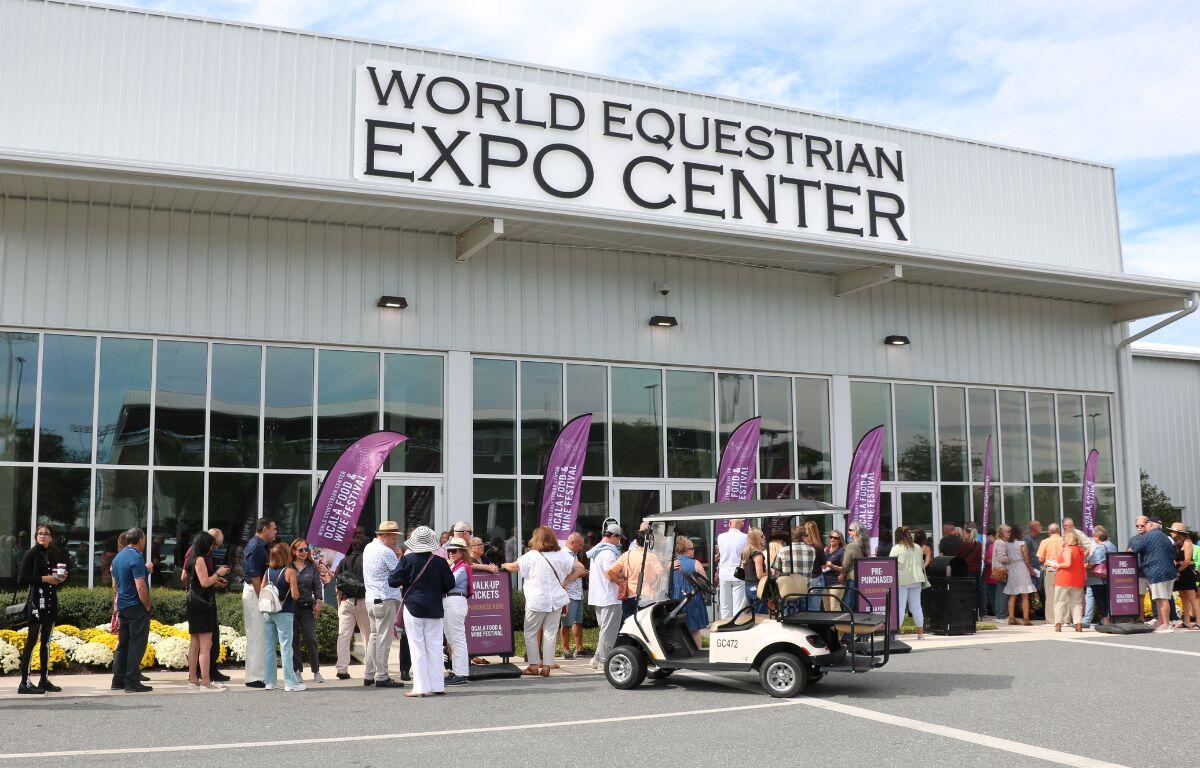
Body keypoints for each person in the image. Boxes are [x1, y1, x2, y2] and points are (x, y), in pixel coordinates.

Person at [502, 526, 586, 678]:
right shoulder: (561, 554)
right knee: (550, 633)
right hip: (556, 600)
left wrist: (502, 566)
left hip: (537, 600)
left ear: (536, 539)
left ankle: (534, 665)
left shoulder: (531, 555)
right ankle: (547, 666)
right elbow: (580, 568)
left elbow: (513, 567)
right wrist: (566, 582)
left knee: (530, 633)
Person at [388, 526, 455, 697]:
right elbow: (450, 584)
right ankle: (437, 685)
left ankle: (420, 687)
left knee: (417, 647)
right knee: (434, 646)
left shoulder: (407, 559)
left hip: (413, 607)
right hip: (435, 607)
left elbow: (393, 581)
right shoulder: (439, 561)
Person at [16, 524, 67, 694]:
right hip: (36, 602)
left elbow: (54, 575)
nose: (43, 536)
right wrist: (45, 578)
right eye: (40, 533)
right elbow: (22, 578)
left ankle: (44, 679)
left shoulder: (50, 554)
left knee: (46, 642)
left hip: (51, 602)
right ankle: (24, 682)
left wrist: (61, 577)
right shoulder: (32, 553)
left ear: (51, 537)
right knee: (32, 641)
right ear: (36, 536)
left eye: (46, 533)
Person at [184, 531, 230, 691]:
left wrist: (216, 581)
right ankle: (206, 682)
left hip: (193, 602)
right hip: (203, 604)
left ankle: (192, 679)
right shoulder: (200, 559)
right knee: (206, 644)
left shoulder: (191, 558)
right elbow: (204, 582)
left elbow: (194, 580)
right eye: (211, 544)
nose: (213, 547)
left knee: (195, 643)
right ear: (205, 544)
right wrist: (218, 573)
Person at [363, 520, 403, 688]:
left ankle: (369, 674)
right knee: (383, 639)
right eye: (393, 538)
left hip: (371, 599)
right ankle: (382, 676)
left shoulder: (368, 547)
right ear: (385, 536)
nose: (395, 541)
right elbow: (400, 572)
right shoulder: (386, 552)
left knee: (374, 637)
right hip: (385, 598)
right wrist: (399, 556)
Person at [112, 528, 153, 693]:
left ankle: (118, 680)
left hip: (122, 605)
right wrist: (147, 605)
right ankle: (132, 681)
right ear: (140, 540)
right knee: (137, 643)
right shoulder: (136, 557)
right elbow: (140, 585)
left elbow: (116, 584)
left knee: (124, 643)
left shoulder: (118, 557)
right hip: (136, 606)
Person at [261, 541, 303, 691]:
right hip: (284, 612)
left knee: (269, 647)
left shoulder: (267, 572)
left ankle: (270, 681)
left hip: (268, 612)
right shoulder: (289, 572)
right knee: (286, 647)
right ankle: (290, 682)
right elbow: (295, 595)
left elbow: (261, 591)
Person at [240, 517, 276, 689]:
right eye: (273, 529)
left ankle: (260, 674)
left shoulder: (261, 545)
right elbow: (255, 577)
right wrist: (262, 599)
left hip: (257, 592)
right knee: (256, 634)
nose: (275, 532)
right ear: (265, 529)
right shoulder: (256, 547)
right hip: (254, 593)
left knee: (260, 634)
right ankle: (254, 677)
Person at [587, 523, 624, 670]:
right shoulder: (609, 552)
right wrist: (621, 580)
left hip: (598, 596)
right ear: (613, 536)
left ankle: (597, 658)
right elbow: (610, 573)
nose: (619, 541)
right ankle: (604, 662)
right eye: (619, 538)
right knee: (609, 632)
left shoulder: (596, 551)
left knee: (604, 630)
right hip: (610, 596)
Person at [1130, 516, 1178, 631]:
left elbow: (1136, 548)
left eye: (1146, 524)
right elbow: (1175, 554)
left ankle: (1165, 624)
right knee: (1164, 598)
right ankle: (1161, 623)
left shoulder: (1148, 536)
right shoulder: (1166, 537)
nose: (1144, 526)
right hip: (1169, 572)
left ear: (1151, 524)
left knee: (1162, 599)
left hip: (1156, 571)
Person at [334, 530, 370, 681]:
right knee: (367, 636)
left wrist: (339, 602)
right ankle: (370, 668)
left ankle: (342, 668)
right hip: (363, 600)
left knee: (343, 635)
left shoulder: (344, 560)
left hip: (346, 601)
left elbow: (337, 583)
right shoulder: (367, 560)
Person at [290, 538, 325, 683]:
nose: (304, 552)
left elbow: (317, 587)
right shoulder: (288, 566)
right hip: (290, 608)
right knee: (294, 640)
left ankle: (316, 671)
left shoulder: (311, 567)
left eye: (306, 549)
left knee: (310, 639)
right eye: (300, 550)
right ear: (293, 551)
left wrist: (318, 602)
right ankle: (297, 670)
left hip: (306, 607)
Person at [608, 525, 658, 621]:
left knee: (629, 624)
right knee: (645, 625)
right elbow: (660, 574)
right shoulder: (652, 556)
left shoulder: (627, 555)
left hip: (629, 596)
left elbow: (610, 572)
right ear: (648, 542)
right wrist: (654, 584)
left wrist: (620, 583)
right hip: (647, 596)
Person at [440, 537, 472, 685]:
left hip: (455, 600)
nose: (450, 553)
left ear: (462, 552)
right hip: (450, 601)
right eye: (449, 551)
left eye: (454, 551)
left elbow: (448, 582)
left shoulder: (462, 567)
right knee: (452, 639)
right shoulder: (456, 566)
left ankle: (461, 674)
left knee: (457, 639)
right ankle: (456, 671)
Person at [889, 526, 928, 639]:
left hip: (901, 579)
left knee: (900, 607)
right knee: (916, 606)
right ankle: (921, 633)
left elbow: (890, 564)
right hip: (917, 578)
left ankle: (896, 634)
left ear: (897, 536)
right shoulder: (917, 547)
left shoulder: (896, 548)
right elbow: (921, 563)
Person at [672, 535, 709, 646]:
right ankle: (698, 655)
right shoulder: (695, 563)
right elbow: (705, 583)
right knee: (695, 631)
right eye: (692, 548)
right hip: (692, 599)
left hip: (676, 600)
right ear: (686, 550)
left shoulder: (671, 564)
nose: (694, 551)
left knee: (678, 630)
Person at [999, 524, 1035, 626]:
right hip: (1021, 567)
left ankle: (1011, 618)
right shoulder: (1022, 543)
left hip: (1012, 567)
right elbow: (1026, 559)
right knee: (1025, 594)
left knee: (1012, 594)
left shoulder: (1007, 544)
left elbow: (1007, 556)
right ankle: (1026, 619)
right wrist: (1031, 570)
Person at [1053, 530, 1087, 632]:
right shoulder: (1080, 549)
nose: (1063, 540)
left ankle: (1058, 624)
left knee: (1059, 602)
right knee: (1077, 603)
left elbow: (1067, 564)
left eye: (1064, 538)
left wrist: (1056, 565)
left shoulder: (1068, 549)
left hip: (1064, 578)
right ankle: (1078, 624)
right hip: (1077, 578)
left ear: (1068, 539)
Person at [559, 532, 586, 659]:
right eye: (579, 545)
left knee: (578, 622)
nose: (581, 548)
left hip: (577, 593)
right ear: (572, 543)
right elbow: (567, 572)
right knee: (566, 623)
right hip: (568, 594)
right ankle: (565, 648)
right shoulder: (563, 555)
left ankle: (579, 647)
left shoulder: (574, 554)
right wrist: (582, 573)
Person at [715, 519, 749, 620]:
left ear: (730, 523)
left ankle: (725, 628)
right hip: (738, 573)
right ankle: (736, 628)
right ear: (742, 524)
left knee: (725, 606)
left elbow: (720, 553)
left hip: (724, 574)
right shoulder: (745, 537)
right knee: (738, 607)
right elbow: (745, 555)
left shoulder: (721, 537)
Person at [1084, 525, 1116, 627]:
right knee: (1107, 598)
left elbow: (1093, 562)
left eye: (1094, 536)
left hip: (1098, 578)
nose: (1093, 538)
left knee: (1100, 599)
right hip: (1109, 576)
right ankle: (1107, 618)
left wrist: (1085, 567)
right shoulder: (1111, 545)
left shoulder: (1100, 548)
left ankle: (1105, 620)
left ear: (1097, 537)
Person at [1168, 523, 1199, 629]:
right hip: (1180, 572)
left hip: (1187, 572)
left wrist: (1178, 571)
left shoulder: (1187, 542)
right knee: (1183, 597)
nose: (1171, 533)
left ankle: (1198, 622)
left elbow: (1187, 560)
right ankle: (1186, 621)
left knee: (1192, 597)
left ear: (1178, 532)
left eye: (1172, 531)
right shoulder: (1176, 543)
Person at [1037, 523, 1065, 626]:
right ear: (1058, 531)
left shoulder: (1045, 542)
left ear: (1050, 531)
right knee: (1063, 595)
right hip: (1063, 569)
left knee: (1050, 595)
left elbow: (1040, 558)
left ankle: (1052, 620)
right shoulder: (1064, 541)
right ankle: (1065, 619)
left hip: (1050, 570)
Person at [957, 526, 983, 619]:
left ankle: (967, 613)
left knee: (966, 593)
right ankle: (976, 613)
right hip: (976, 571)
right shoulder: (979, 545)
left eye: (964, 533)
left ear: (969, 534)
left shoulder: (963, 545)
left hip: (966, 571)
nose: (963, 535)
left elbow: (957, 557)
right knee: (976, 592)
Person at [741, 527, 767, 614]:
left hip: (748, 587)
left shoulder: (746, 553)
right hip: (757, 587)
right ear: (756, 537)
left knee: (752, 616)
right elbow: (759, 575)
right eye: (762, 536)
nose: (765, 537)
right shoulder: (758, 554)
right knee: (761, 618)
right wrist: (769, 574)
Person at [984, 530, 1008, 620]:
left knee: (998, 593)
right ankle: (1001, 614)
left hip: (994, 572)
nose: (1009, 534)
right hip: (1000, 571)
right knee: (1002, 593)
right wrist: (1011, 558)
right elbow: (996, 558)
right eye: (1008, 532)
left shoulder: (992, 545)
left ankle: (998, 613)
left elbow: (989, 559)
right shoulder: (1000, 543)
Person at [842, 523, 869, 594]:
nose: (848, 532)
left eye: (850, 530)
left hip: (852, 578)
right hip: (862, 578)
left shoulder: (851, 546)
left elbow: (845, 565)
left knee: (847, 603)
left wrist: (842, 576)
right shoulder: (865, 545)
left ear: (856, 532)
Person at [822, 530, 846, 611]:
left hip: (836, 582)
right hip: (825, 582)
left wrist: (833, 566)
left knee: (834, 607)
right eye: (831, 537)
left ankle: (838, 624)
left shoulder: (842, 551)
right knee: (827, 606)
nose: (832, 539)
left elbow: (844, 568)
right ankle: (830, 624)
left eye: (835, 538)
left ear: (839, 540)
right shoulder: (825, 550)